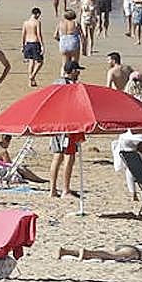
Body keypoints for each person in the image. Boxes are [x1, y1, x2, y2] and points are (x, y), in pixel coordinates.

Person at [48, 61, 87, 197]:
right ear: (73, 71)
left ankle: (52, 189)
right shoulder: (70, 86)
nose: (79, 73)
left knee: (57, 156)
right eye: (77, 70)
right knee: (69, 156)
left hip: (56, 124)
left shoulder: (55, 83)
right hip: (68, 125)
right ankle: (66, 189)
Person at [57, 222, 142, 262]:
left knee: (108, 253)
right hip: (136, 252)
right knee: (109, 255)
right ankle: (86, 252)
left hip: (132, 247)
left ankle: (66, 251)